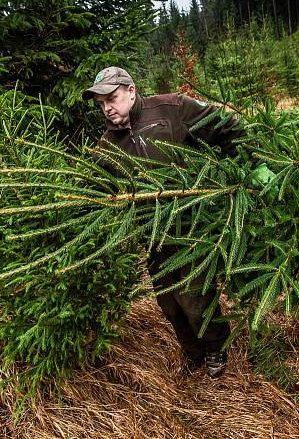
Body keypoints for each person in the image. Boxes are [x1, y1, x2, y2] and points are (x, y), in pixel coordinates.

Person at [82, 66, 243, 379]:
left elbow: (224, 125)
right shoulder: (106, 148)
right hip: (154, 235)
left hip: (193, 225)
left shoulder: (171, 108)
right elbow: (97, 192)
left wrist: (245, 167)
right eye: (101, 104)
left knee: (195, 298)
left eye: (112, 98)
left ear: (131, 91)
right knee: (168, 303)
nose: (107, 108)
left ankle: (214, 348)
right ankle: (193, 353)